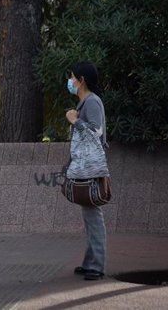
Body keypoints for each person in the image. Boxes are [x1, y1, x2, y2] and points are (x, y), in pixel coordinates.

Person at [64, 61, 109, 281]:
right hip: (84, 167)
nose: (70, 81)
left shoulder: (92, 102)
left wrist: (74, 121)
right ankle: (90, 262)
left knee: (94, 216)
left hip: (91, 167)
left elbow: (96, 132)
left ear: (82, 80)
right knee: (89, 216)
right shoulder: (84, 103)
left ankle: (97, 266)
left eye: (72, 77)